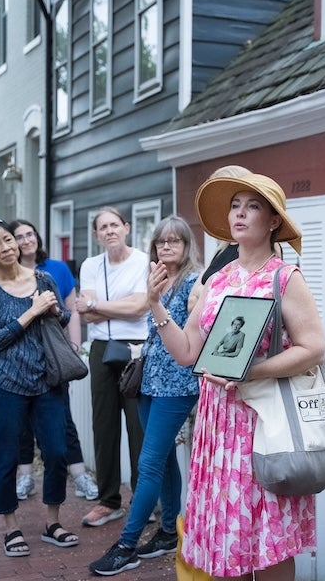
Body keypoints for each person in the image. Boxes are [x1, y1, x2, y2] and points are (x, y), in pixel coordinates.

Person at [147, 172, 323, 579]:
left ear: (273, 221)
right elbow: (187, 351)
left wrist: (251, 373)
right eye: (235, 206)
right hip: (217, 424)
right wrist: (155, 304)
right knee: (230, 536)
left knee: (269, 538)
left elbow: (313, 348)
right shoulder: (218, 281)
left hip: (262, 422)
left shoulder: (284, 277)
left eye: (253, 206)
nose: (240, 214)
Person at [89, 215, 203, 576]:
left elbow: (189, 334)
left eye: (174, 241)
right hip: (149, 380)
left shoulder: (194, 282)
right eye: (160, 242)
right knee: (165, 460)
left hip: (178, 384)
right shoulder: (157, 278)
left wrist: (154, 302)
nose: (166, 247)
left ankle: (127, 545)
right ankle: (169, 531)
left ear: (186, 247)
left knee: (149, 463)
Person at [0, 218, 80, 557]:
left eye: (9, 240)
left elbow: (60, 318)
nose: (6, 247)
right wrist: (31, 311)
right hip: (8, 386)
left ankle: (52, 521)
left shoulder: (43, 278)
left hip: (47, 380)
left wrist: (53, 310)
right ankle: (11, 527)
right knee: (6, 457)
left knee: (57, 452)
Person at [0, 219, 98, 503]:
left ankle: (79, 475)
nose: (24, 240)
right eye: (18, 236)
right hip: (15, 364)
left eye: (29, 234)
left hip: (52, 357)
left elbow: (68, 310)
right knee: (20, 425)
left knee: (62, 424)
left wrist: (73, 346)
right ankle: (25, 477)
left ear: (37, 236)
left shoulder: (54, 271)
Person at [75, 207, 149, 527]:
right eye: (102, 227)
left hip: (136, 349)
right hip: (103, 349)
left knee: (138, 428)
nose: (109, 231)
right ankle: (108, 501)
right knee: (104, 426)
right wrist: (99, 308)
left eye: (114, 225)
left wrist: (95, 305)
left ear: (126, 228)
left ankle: (143, 500)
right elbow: (85, 314)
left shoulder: (144, 261)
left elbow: (139, 308)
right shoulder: (91, 265)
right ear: (96, 235)